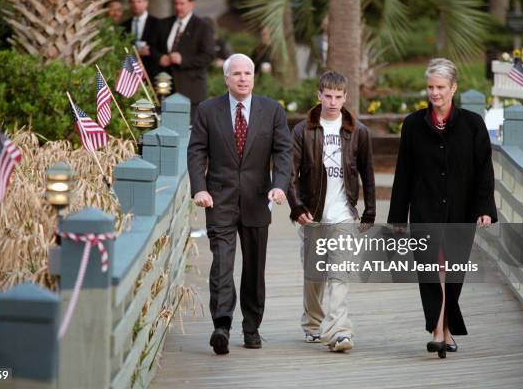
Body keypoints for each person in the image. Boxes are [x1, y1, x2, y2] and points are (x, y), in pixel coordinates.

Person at [387, 58, 497, 358]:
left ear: (453, 88)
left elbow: (484, 171)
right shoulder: (412, 125)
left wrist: (485, 207)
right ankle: (438, 330)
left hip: (461, 211)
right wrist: (397, 217)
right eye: (430, 87)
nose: (434, 93)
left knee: (452, 273)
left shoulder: (473, 124)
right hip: (425, 210)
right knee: (431, 270)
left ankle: (446, 328)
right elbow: (404, 174)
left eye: (440, 87)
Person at [187, 53, 292, 355]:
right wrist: (199, 189)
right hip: (218, 199)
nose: (243, 78)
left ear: (254, 77)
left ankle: (251, 327)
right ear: (226, 78)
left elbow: (284, 152)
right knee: (222, 263)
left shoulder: (271, 111)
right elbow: (196, 152)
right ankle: (221, 325)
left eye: (248, 73)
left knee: (254, 268)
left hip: (259, 199)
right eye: (237, 73)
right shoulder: (208, 110)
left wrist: (279, 185)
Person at [287, 71, 376, 352]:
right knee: (314, 275)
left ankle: (339, 331)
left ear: (346, 97)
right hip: (312, 214)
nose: (333, 102)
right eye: (328, 96)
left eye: (338, 97)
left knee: (340, 274)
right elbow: (289, 173)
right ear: (319, 95)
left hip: (343, 215)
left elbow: (367, 173)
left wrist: (369, 211)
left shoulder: (358, 131)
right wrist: (296, 207)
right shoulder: (303, 131)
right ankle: (313, 323)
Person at [159, 0, 215, 124]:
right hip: (166, 88)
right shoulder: (165, 23)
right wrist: (160, 57)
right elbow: (154, 46)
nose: (178, 7)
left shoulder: (202, 26)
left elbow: (208, 56)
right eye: (176, 4)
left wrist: (183, 60)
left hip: (191, 90)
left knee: (189, 133)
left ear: (191, 4)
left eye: (182, 4)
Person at [121, 0, 163, 79]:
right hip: (131, 73)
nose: (136, 5)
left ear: (146, 3)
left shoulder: (158, 23)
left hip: (152, 72)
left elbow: (162, 47)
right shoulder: (124, 26)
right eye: (133, 2)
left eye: (139, 1)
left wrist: (150, 50)